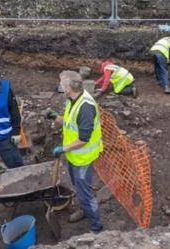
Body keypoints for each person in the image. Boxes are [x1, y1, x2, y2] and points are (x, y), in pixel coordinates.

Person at [47, 70, 104, 233]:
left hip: (83, 158)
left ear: (68, 88)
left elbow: (84, 138)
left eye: (61, 84)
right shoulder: (72, 100)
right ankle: (86, 210)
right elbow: (70, 123)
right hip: (74, 155)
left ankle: (97, 228)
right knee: (79, 188)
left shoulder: (85, 107)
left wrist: (62, 149)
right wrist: (55, 117)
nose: (60, 86)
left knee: (85, 193)